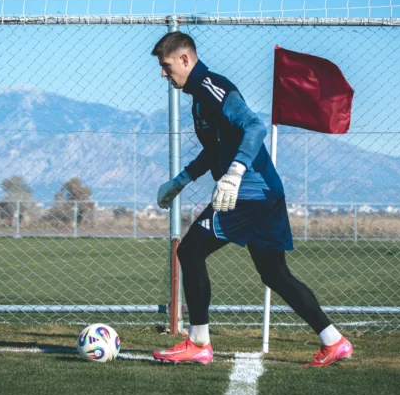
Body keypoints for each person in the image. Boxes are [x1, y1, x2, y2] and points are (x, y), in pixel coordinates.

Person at [151, 31, 353, 367]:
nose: (163, 73)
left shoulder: (212, 87)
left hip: (247, 195)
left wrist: (234, 173)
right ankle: (334, 341)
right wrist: (180, 180)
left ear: (185, 59)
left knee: (190, 251)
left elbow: (255, 127)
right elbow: (214, 150)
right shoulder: (199, 97)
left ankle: (198, 343)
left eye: (166, 65)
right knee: (275, 275)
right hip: (265, 194)